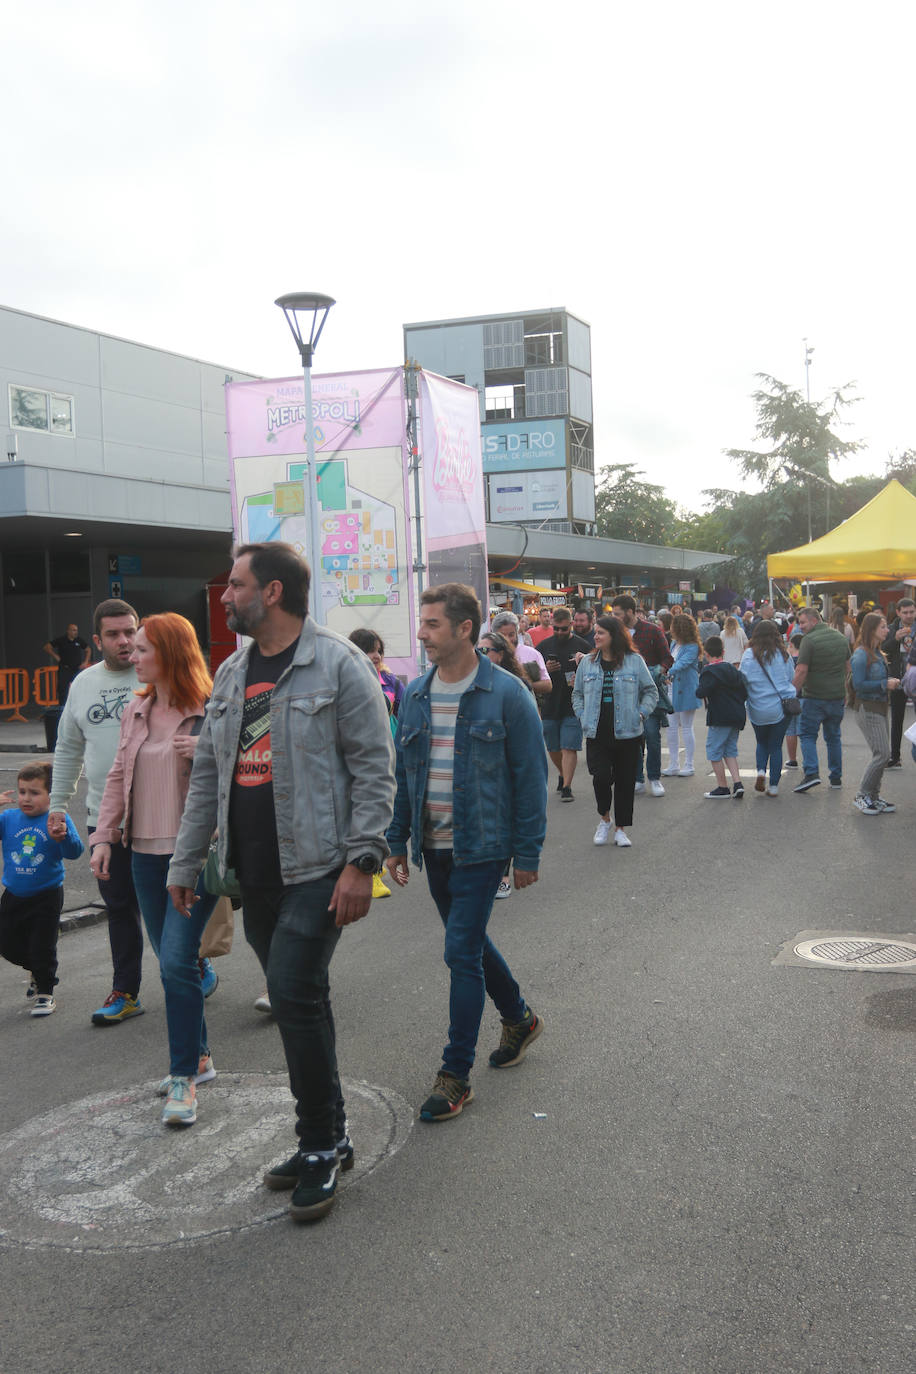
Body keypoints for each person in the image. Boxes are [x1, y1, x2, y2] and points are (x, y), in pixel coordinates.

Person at [168, 542, 395, 1222]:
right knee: (305, 999)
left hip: (319, 867)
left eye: (234, 585)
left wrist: (363, 861)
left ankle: (318, 1144)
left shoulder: (340, 665)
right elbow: (208, 775)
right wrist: (185, 864)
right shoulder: (233, 672)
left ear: (270, 592)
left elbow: (375, 770)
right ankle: (336, 1131)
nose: (223, 596)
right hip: (254, 872)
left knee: (293, 993)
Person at [385, 583, 547, 1123]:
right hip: (434, 846)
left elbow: (530, 779)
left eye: (431, 624)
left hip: (483, 845)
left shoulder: (506, 694)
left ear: (462, 630)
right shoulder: (415, 694)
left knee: (459, 952)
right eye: (422, 622)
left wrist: (527, 853)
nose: (421, 633)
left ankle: (455, 1074)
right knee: (470, 942)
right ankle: (519, 1018)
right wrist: (396, 840)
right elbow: (405, 777)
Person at [90, 614, 219, 1128]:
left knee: (174, 961)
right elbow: (118, 774)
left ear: (169, 652)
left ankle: (184, 1076)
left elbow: (253, 768)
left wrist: (208, 749)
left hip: (196, 855)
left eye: (142, 648)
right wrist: (103, 836)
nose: (132, 654)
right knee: (175, 963)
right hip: (142, 852)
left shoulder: (211, 710)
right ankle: (201, 1057)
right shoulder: (137, 708)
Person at [48, 599, 149, 1026]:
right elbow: (69, 749)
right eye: (113, 634)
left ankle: (193, 965)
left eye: (130, 631)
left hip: (160, 817)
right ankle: (125, 992)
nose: (124, 641)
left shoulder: (156, 675)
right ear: (97, 640)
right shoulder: (83, 684)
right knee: (120, 908)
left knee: (174, 901)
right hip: (103, 819)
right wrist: (56, 806)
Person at [2, 764, 83, 1016]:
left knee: (42, 946)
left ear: (52, 795)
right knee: (6, 943)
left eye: (34, 792)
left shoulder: (58, 819)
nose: (26, 798)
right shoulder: (8, 818)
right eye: (22, 791)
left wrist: (63, 837)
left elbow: (75, 852)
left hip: (46, 895)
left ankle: (45, 992)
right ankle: (37, 970)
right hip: (14, 893)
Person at [572, 615, 657, 847]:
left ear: (614, 636)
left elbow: (651, 691)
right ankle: (604, 819)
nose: (595, 636)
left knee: (625, 781)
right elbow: (577, 693)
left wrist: (641, 713)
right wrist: (581, 715)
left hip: (629, 732)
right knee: (600, 778)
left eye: (601, 633)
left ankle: (621, 829)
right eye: (595, 632)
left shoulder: (634, 661)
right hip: (596, 732)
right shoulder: (588, 663)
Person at [478, 629, 534, 898]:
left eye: (486, 650)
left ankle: (502, 876)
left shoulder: (517, 686)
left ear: (500, 655)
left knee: (504, 821)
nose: (480, 655)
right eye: (477, 650)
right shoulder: (471, 683)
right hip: (482, 764)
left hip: (508, 762)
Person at [611, 594, 672, 797]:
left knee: (652, 735)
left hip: (648, 692)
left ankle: (654, 778)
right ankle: (637, 778)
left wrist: (658, 672)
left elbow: (667, 658)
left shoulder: (652, 630)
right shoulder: (615, 634)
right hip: (624, 693)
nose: (616, 618)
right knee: (632, 737)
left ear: (630, 612)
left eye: (618, 614)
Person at [792, 607, 851, 792]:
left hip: (814, 697)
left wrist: (791, 693)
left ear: (814, 621)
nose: (800, 626)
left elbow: (801, 670)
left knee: (808, 735)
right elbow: (848, 667)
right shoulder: (840, 638)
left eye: (803, 622)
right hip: (836, 696)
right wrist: (845, 690)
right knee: (833, 737)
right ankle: (836, 778)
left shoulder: (809, 641)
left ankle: (811, 773)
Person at [538, 607, 593, 800]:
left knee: (569, 746)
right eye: (556, 629)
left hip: (573, 704)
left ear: (570, 625)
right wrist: (545, 667)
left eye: (563, 629)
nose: (559, 632)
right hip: (550, 704)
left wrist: (580, 677)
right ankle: (562, 773)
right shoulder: (543, 646)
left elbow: (595, 673)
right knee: (553, 747)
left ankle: (567, 786)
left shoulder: (583, 645)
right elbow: (534, 674)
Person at [849, 613, 900, 815]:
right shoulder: (861, 654)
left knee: (881, 753)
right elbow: (858, 684)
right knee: (882, 754)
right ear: (872, 630)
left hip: (878, 706)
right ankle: (863, 795)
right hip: (867, 708)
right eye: (883, 627)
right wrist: (884, 684)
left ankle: (874, 796)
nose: (887, 630)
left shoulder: (877, 652)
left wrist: (889, 683)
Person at [739, 620, 797, 796]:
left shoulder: (749, 655)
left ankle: (760, 772)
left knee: (762, 742)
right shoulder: (783, 654)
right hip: (780, 707)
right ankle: (773, 787)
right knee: (776, 746)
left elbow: (742, 678)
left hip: (757, 707)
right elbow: (790, 677)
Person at [696, 636, 746, 798]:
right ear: (723, 652)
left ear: (706, 653)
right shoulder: (733, 669)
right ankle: (737, 783)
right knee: (730, 749)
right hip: (737, 714)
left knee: (714, 750)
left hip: (720, 715)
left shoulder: (709, 671)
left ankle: (722, 787)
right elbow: (744, 691)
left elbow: (701, 692)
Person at [663, 614, 701, 777]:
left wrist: (665, 671)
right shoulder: (673, 644)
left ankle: (689, 764)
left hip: (686, 690)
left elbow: (681, 664)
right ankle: (673, 764)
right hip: (672, 689)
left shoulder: (692, 646)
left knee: (686, 727)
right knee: (671, 728)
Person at [882, 597, 915, 768]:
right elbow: (883, 650)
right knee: (896, 718)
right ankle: (895, 757)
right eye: (905, 612)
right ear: (898, 612)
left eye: (912, 612)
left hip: (915, 680)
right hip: (898, 679)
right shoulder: (891, 628)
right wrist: (895, 638)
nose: (909, 616)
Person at [489, 611, 551, 698]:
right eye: (502, 635)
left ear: (517, 633)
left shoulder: (532, 654)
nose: (507, 640)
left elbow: (547, 685)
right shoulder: (489, 654)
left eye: (511, 635)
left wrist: (522, 685)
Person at [43, 623, 91, 708]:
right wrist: (56, 656)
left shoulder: (79, 640)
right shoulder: (61, 640)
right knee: (62, 689)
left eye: (76, 630)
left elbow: (88, 649)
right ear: (68, 631)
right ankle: (62, 708)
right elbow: (47, 647)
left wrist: (86, 662)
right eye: (73, 630)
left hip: (77, 668)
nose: (75, 632)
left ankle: (80, 707)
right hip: (65, 668)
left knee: (80, 688)